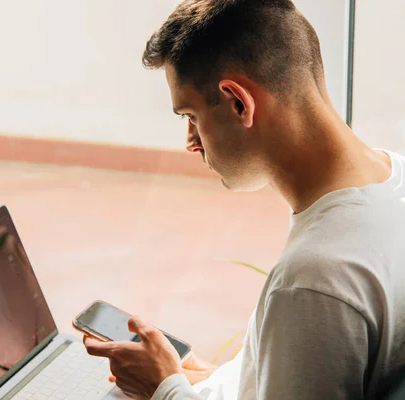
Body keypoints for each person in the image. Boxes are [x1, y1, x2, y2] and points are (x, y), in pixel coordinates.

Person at [83, 0, 405, 399]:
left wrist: (164, 389)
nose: (190, 143)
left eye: (191, 116)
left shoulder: (314, 280)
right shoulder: (396, 180)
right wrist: (229, 379)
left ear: (239, 102)